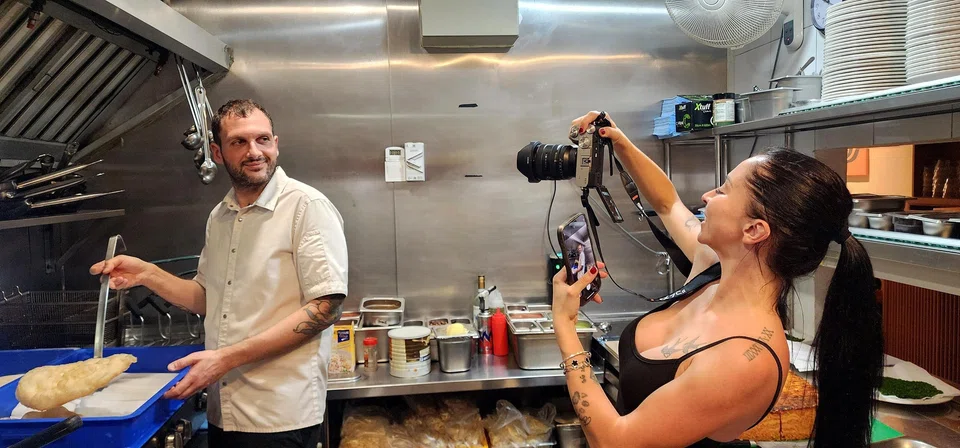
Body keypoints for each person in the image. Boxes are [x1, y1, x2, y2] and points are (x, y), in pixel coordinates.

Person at [550, 111, 883, 447]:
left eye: (723, 190)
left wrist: (565, 325)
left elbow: (614, 442)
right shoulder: (712, 266)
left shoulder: (745, 358)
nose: (707, 196)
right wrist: (618, 141)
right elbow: (667, 203)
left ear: (754, 230)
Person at [90, 100, 348, 448]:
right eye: (239, 142)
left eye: (263, 139)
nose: (255, 151)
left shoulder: (306, 207)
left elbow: (326, 308)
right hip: (225, 408)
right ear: (218, 151)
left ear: (276, 143)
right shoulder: (221, 216)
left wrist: (224, 359)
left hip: (280, 414)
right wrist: (148, 274)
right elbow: (208, 299)